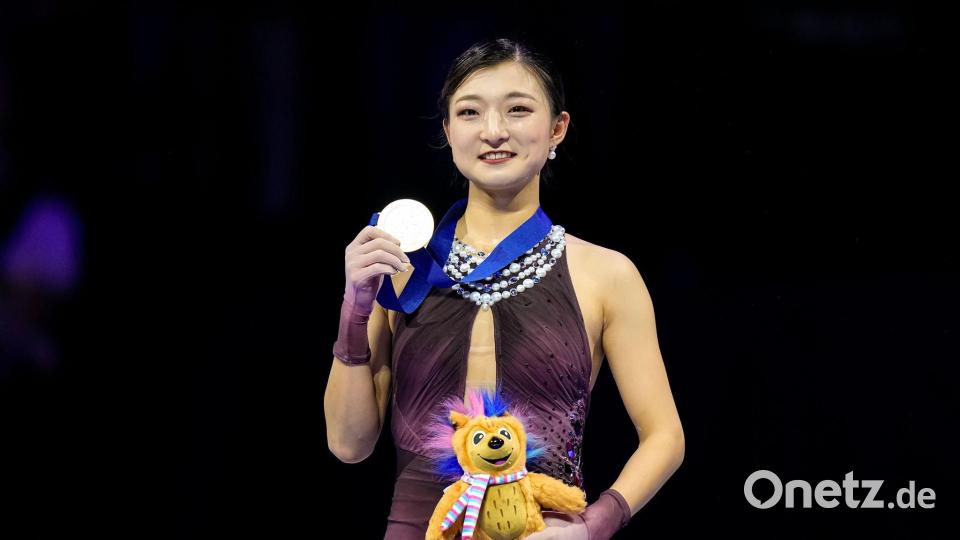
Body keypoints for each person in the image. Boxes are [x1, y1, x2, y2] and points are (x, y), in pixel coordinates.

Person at [324, 37, 685, 539]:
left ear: (557, 128)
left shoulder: (605, 274)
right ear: (449, 132)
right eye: (470, 113)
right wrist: (354, 311)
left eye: (518, 109)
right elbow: (349, 444)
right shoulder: (403, 268)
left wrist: (591, 526)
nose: (494, 131)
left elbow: (664, 435)